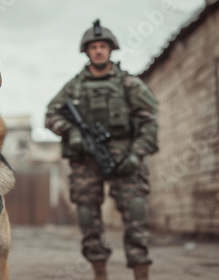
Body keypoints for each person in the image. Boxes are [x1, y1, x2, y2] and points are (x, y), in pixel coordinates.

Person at [45, 19, 159, 280]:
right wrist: (72, 132)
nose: (98, 50)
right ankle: (100, 274)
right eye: (93, 46)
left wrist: (136, 154)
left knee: (137, 213)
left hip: (125, 154)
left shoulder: (129, 84)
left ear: (111, 49)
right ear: (86, 51)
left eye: (102, 46)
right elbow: (50, 115)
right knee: (87, 215)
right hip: (86, 158)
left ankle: (141, 274)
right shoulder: (74, 87)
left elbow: (150, 122)